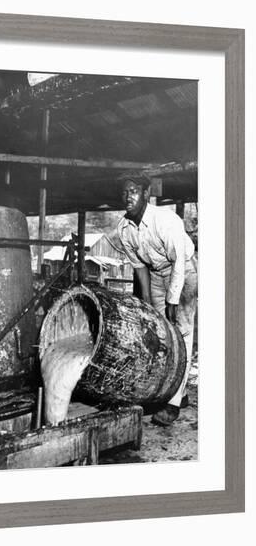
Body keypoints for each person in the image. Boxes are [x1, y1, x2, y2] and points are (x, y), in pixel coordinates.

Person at [117, 171, 198, 426]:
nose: (127, 196)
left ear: (146, 193)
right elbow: (140, 268)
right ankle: (179, 392)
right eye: (124, 191)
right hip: (155, 273)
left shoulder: (166, 220)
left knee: (181, 332)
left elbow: (178, 264)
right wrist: (148, 305)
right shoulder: (124, 229)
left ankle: (172, 404)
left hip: (183, 271)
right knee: (162, 332)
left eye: (133, 191)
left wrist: (173, 300)